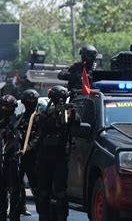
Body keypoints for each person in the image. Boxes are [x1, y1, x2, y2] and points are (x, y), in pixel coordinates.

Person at [35, 85, 80, 221]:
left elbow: (77, 122)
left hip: (60, 156)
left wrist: (70, 114)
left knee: (60, 192)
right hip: (44, 157)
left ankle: (61, 217)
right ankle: (44, 216)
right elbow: (39, 126)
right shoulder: (44, 112)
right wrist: (52, 112)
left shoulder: (69, 112)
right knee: (43, 191)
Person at [0, 95, 21, 221]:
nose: (6, 109)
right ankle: (1, 215)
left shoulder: (19, 119)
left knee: (15, 189)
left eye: (9, 107)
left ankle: (15, 215)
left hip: (13, 158)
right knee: (0, 189)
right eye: (4, 107)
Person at [17, 89, 41, 217]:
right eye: (28, 101)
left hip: (33, 156)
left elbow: (38, 136)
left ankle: (41, 211)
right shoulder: (20, 118)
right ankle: (21, 206)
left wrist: (27, 148)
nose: (31, 103)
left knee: (34, 184)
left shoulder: (39, 117)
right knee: (17, 183)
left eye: (33, 101)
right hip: (18, 155)